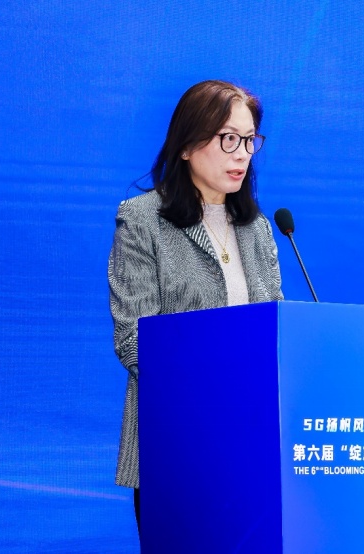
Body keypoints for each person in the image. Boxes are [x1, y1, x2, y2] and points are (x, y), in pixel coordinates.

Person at [107, 80, 284, 534]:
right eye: (228, 139)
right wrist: (213, 382)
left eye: (249, 140)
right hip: (177, 443)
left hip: (252, 444)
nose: (242, 154)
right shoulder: (142, 221)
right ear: (186, 146)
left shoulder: (258, 229)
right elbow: (133, 340)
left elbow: (278, 330)